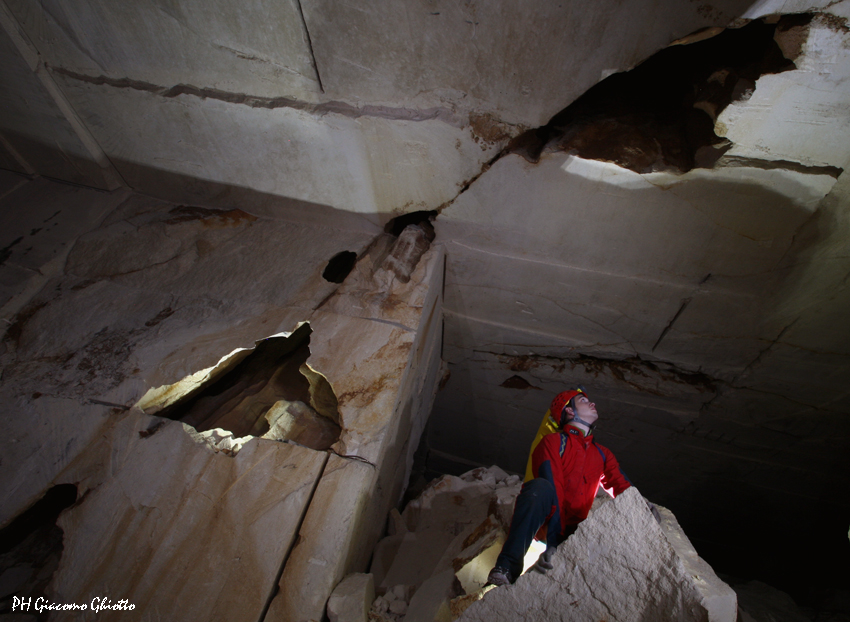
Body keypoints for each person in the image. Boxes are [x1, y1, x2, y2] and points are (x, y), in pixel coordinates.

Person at [487, 388, 632, 586]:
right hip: (547, 525)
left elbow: (620, 484)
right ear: (570, 411)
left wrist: (642, 506)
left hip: (577, 527)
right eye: (583, 400)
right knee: (540, 487)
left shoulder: (602, 453)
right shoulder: (553, 442)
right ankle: (507, 568)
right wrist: (554, 543)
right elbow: (553, 486)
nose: (593, 404)